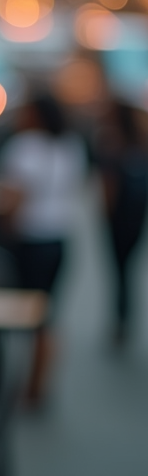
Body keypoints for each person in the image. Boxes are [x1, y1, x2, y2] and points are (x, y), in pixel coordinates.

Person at [0, 92, 87, 401]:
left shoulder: (23, 147)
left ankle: (14, 384)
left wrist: (4, 227)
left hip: (30, 238)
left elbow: (13, 198)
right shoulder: (70, 146)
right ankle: (38, 385)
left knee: (21, 314)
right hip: (59, 237)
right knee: (47, 316)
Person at [96, 99, 148, 346]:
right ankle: (124, 318)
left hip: (118, 219)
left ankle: (121, 320)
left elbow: (109, 186)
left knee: (120, 270)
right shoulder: (140, 143)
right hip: (136, 217)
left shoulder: (112, 143)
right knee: (127, 270)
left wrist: (105, 214)